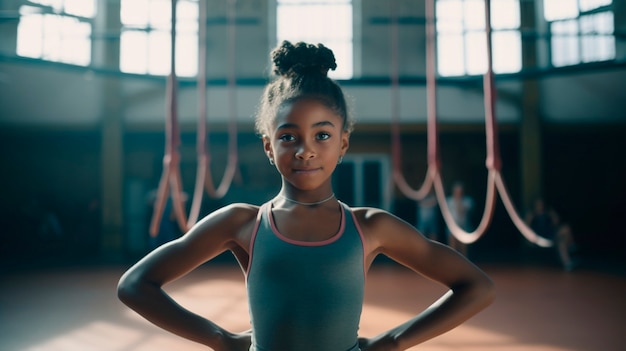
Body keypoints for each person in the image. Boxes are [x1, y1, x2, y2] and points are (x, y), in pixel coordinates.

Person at [117, 41, 495, 351]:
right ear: (269, 146)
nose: (305, 150)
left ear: (343, 142)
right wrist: (221, 339)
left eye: (323, 135)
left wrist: (394, 341)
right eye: (288, 137)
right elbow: (135, 285)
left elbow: (477, 288)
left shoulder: (371, 227)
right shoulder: (243, 223)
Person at [525, 198, 578, 271]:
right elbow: (526, 228)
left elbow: (555, 223)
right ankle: (569, 253)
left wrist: (552, 214)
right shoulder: (532, 215)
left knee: (566, 229)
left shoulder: (548, 213)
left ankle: (571, 247)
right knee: (561, 243)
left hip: (550, 235)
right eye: (537, 205)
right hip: (540, 238)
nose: (539, 206)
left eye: (541, 204)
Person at [445, 182, 474, 256]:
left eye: (460, 191)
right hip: (452, 228)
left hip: (464, 228)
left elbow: (460, 211)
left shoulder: (468, 201)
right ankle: (452, 263)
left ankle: (464, 264)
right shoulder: (449, 201)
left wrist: (458, 200)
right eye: (457, 191)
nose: (458, 193)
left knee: (463, 249)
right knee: (452, 247)